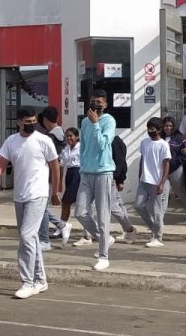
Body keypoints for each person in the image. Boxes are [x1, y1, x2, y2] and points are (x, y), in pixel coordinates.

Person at [0, 108, 59, 299]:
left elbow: (55, 167)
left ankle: (28, 282)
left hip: (38, 195)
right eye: (27, 121)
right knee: (30, 239)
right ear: (18, 123)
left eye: (33, 120)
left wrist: (55, 192)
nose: (31, 124)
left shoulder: (44, 140)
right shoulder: (11, 141)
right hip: (19, 196)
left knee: (26, 235)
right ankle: (41, 280)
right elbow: (0, 165)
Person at [76, 90, 116, 271]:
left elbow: (102, 145)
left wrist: (96, 124)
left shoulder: (109, 121)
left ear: (105, 104)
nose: (95, 105)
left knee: (102, 215)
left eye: (99, 102)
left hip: (103, 172)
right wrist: (82, 165)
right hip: (86, 172)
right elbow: (83, 145)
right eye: (93, 102)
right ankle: (104, 238)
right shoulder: (84, 122)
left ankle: (103, 256)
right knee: (80, 212)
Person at [135, 118, 171, 247]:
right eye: (149, 128)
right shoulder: (144, 142)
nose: (150, 131)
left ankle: (158, 237)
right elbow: (142, 159)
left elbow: (166, 164)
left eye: (153, 129)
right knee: (138, 205)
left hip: (156, 181)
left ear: (159, 130)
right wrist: (140, 175)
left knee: (157, 210)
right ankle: (153, 227)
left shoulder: (163, 144)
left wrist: (162, 183)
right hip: (144, 180)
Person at [36, 106, 69, 247]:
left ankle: (45, 238)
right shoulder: (61, 132)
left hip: (48, 173)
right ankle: (60, 225)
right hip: (57, 172)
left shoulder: (50, 137)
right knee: (40, 207)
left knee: (41, 207)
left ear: (44, 119)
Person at [162, 116, 186, 228]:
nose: (168, 128)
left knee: (182, 192)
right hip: (162, 171)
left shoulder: (179, 137)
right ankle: (159, 219)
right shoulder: (159, 138)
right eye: (166, 125)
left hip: (176, 169)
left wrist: (175, 163)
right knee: (163, 194)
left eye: (170, 126)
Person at [108, 134, 138, 242]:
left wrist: (120, 179)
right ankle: (127, 230)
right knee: (118, 204)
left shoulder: (114, 142)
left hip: (110, 177)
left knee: (114, 207)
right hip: (106, 177)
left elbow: (120, 161)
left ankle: (129, 230)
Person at [59, 127, 82, 243]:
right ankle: (61, 226)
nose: (69, 138)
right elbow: (62, 163)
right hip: (69, 174)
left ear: (77, 137)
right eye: (67, 136)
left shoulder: (81, 148)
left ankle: (86, 233)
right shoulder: (66, 149)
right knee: (65, 202)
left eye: (71, 136)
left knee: (68, 201)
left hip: (78, 174)